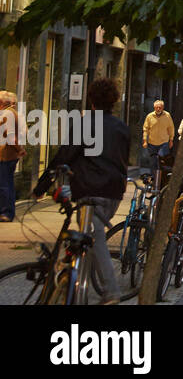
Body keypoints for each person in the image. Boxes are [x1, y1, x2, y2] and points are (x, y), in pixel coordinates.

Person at [34, 77, 129, 304]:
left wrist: (41, 187)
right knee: (87, 239)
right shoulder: (123, 128)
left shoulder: (86, 124)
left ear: (91, 101)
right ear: (114, 101)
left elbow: (64, 156)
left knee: (95, 239)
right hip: (113, 195)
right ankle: (76, 282)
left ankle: (111, 290)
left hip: (89, 193)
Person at [0, 91, 25, 222]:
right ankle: (7, 211)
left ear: (3, 102)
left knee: (4, 184)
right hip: (8, 155)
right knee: (7, 183)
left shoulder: (8, 114)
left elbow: (11, 136)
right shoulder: (11, 113)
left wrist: (19, 149)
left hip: (6, 155)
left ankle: (6, 213)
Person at [143, 100, 174, 176]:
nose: (158, 109)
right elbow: (145, 129)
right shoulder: (149, 116)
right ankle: (153, 178)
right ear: (154, 108)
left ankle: (162, 178)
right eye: (156, 107)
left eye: (160, 107)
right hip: (152, 143)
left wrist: (171, 140)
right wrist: (144, 140)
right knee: (153, 162)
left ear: (163, 107)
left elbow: (171, 128)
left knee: (161, 161)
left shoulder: (167, 115)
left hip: (163, 142)